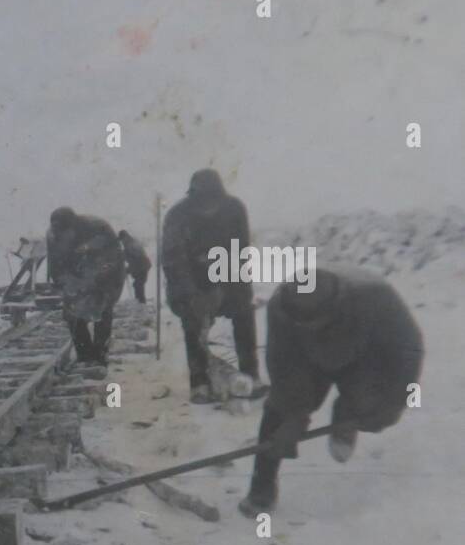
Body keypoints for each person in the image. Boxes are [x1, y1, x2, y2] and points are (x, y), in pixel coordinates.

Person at [238, 266, 424, 517]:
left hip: (363, 358)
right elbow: (284, 366)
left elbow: (409, 351)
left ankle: (346, 411)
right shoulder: (280, 308)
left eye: (317, 323)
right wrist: (295, 416)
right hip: (307, 363)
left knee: (370, 407)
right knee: (278, 417)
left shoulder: (375, 297)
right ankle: (262, 487)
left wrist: (396, 401)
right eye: (303, 324)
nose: (311, 329)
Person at [161, 169, 261, 403]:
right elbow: (173, 260)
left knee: (244, 314)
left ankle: (250, 375)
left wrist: (227, 287)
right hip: (190, 282)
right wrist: (193, 294)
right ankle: (199, 383)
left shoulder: (235, 208)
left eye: (212, 200)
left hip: (228, 276)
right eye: (202, 201)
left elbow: (241, 251)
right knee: (193, 322)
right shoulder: (177, 215)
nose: (208, 206)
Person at [45, 207, 126, 365]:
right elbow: (55, 267)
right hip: (76, 273)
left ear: (74, 228)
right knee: (72, 313)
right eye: (60, 236)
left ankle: (100, 354)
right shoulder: (52, 236)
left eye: (67, 234)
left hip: (107, 274)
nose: (64, 238)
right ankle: (85, 355)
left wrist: (92, 280)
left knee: (102, 309)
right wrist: (66, 284)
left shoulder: (99, 228)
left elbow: (113, 261)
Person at [117, 229, 151, 303]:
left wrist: (128, 270)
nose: (122, 242)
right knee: (137, 285)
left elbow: (136, 260)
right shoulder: (129, 244)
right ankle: (140, 302)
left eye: (122, 240)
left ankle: (141, 302)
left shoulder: (130, 245)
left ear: (125, 237)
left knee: (138, 285)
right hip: (142, 266)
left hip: (142, 266)